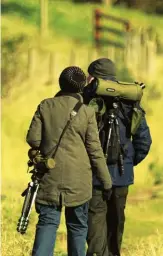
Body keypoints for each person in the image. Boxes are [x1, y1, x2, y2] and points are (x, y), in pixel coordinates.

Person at [26, 66, 112, 256]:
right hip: (79, 182)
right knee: (78, 227)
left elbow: (33, 140)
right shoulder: (87, 112)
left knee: (48, 223)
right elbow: (95, 151)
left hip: (50, 176)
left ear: (60, 83)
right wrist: (106, 181)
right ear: (81, 87)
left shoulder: (45, 105)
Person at [85, 58, 152, 256]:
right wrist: (130, 161)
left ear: (92, 77)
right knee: (116, 222)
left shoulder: (88, 101)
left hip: (94, 176)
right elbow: (144, 141)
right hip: (122, 174)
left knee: (95, 221)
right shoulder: (130, 102)